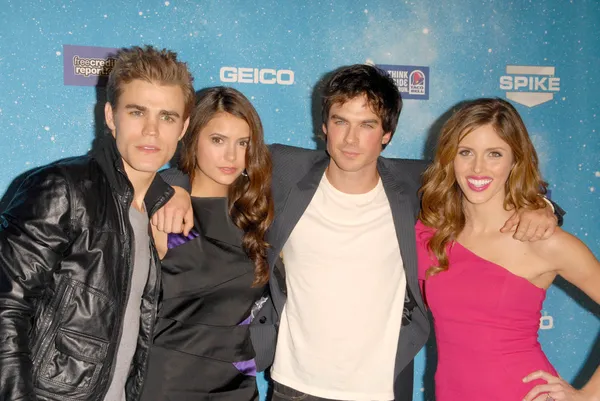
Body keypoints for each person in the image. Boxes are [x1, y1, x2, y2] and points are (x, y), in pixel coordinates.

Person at [159, 66, 560, 401]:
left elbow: (487, 183)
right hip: (293, 387)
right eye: (341, 122)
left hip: (382, 389)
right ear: (324, 126)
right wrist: (173, 184)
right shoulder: (285, 169)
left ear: (387, 133)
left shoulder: (416, 184)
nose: (351, 139)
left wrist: (543, 207)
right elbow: (213, 160)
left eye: (367, 125)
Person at [0, 45, 194, 400]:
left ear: (183, 128)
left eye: (167, 117)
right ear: (110, 116)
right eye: (137, 112)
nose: (152, 131)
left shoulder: (155, 210)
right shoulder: (64, 188)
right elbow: (6, 306)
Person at [417, 98, 600, 401]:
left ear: (515, 160)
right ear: (449, 157)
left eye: (494, 154)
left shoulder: (543, 239)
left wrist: (589, 396)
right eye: (466, 152)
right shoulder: (429, 233)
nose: (478, 167)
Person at [139, 86, 274, 400]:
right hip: (168, 380)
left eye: (243, 143)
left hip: (237, 384)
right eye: (217, 140)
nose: (231, 156)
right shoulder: (160, 209)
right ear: (190, 136)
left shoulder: (257, 212)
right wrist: (171, 185)